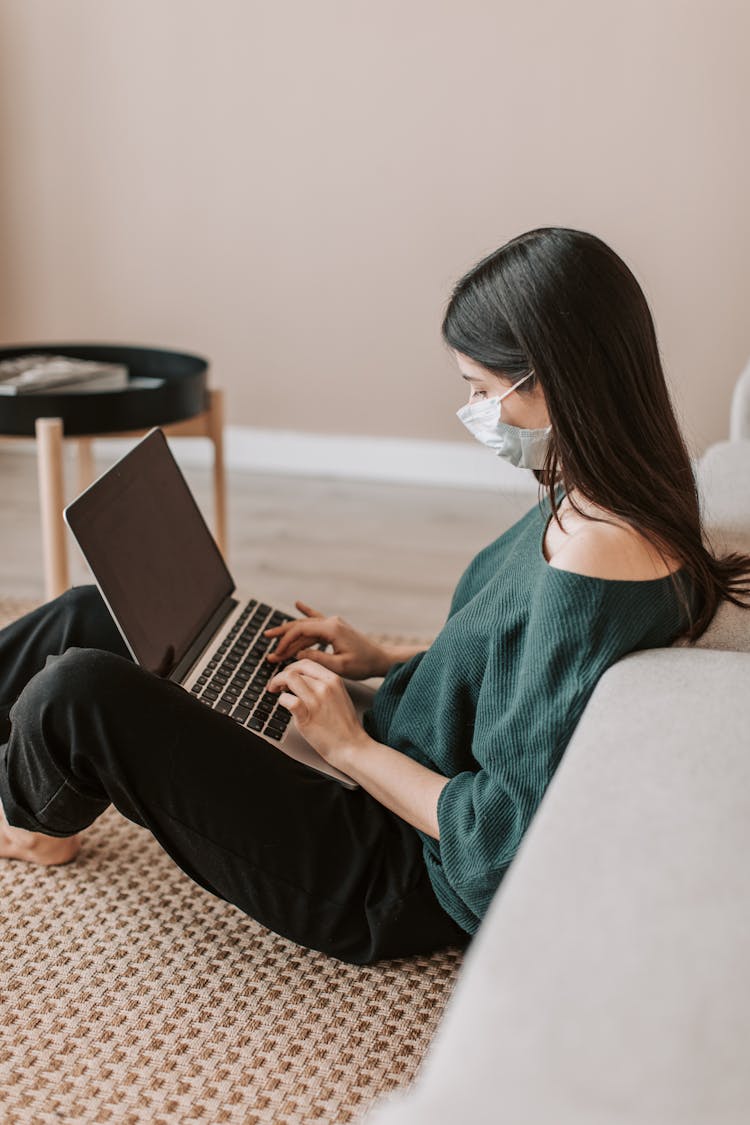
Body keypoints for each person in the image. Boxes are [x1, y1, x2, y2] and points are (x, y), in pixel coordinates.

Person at [2, 226, 749, 965]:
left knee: (80, 693)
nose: (476, 411)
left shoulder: (600, 553)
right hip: (391, 753)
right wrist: (383, 657)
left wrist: (347, 746)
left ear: (559, 377)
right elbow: (533, 682)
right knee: (94, 614)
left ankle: (38, 821)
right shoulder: (617, 484)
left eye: (485, 390)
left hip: (389, 867)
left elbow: (497, 845)